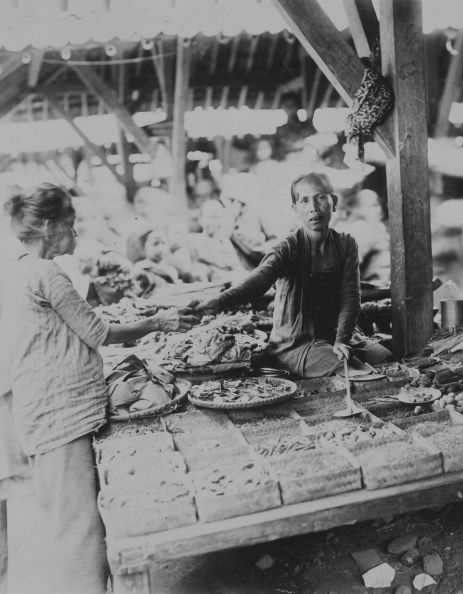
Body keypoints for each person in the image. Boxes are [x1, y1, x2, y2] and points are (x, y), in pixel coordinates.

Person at [0, 183, 198, 594]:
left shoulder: (19, 269)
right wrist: (159, 322)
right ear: (49, 226)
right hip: (59, 417)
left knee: (69, 522)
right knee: (79, 530)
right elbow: (98, 331)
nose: (75, 234)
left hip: (47, 413)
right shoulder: (44, 271)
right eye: (70, 225)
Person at [195, 172, 393, 377]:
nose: (314, 208)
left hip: (340, 336)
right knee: (347, 368)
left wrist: (342, 339)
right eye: (304, 201)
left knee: (385, 359)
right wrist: (221, 300)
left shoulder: (346, 244)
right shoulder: (287, 247)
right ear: (295, 209)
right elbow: (260, 280)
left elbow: (350, 297)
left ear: (333, 202)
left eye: (321, 197)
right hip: (297, 342)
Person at [334, 188, 390, 282]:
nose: (379, 209)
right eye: (373, 206)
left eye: (378, 204)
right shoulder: (363, 227)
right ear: (357, 209)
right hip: (375, 286)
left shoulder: (378, 227)